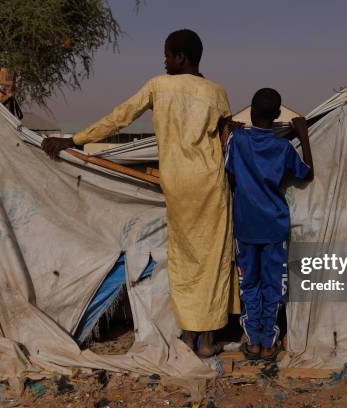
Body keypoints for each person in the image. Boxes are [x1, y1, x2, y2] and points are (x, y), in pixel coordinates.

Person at [41, 29, 237, 357]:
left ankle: (189, 336)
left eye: (166, 54)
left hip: (177, 184)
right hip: (211, 185)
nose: (163, 61)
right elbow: (225, 139)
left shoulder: (158, 87)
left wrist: (75, 140)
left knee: (184, 258)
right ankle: (206, 341)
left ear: (180, 57)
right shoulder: (217, 92)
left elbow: (120, 118)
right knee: (213, 258)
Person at [224, 88, 313, 360]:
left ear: (250, 110)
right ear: (277, 116)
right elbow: (306, 173)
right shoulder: (283, 147)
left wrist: (227, 131)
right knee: (273, 284)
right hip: (275, 225)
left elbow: (227, 173)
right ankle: (268, 341)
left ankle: (253, 342)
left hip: (246, 226)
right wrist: (304, 135)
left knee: (248, 283)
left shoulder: (238, 141)